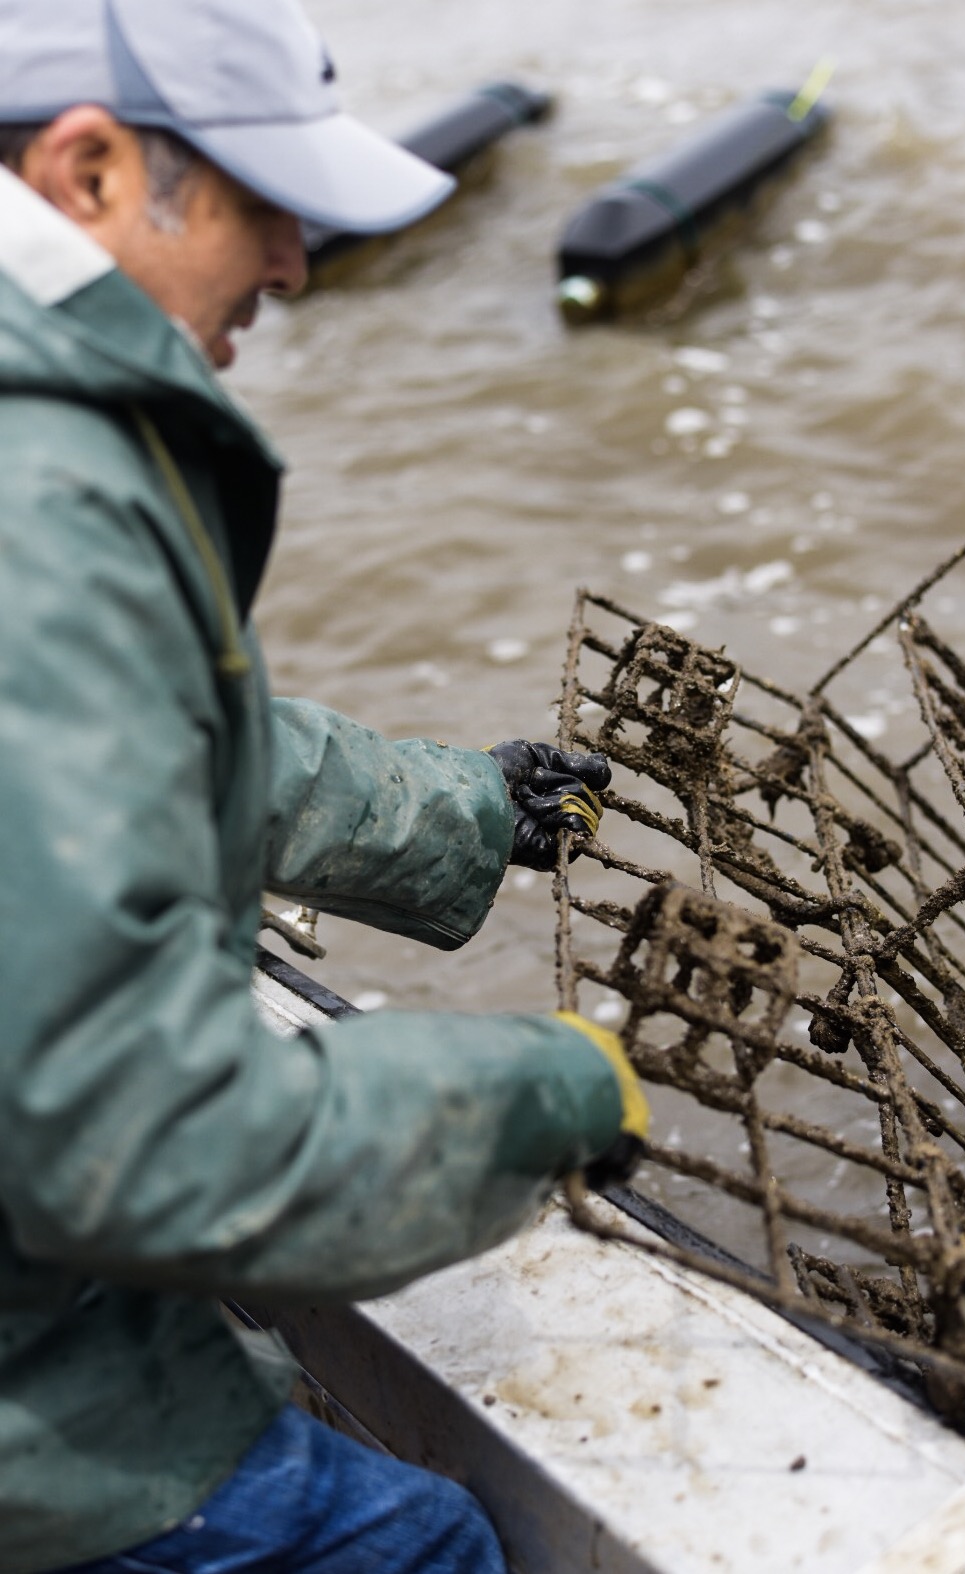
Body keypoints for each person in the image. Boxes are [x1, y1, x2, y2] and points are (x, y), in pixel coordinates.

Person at [0, 2, 649, 1571]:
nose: (293, 264)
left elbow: (128, 747)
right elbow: (132, 1138)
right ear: (91, 169)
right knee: (416, 1541)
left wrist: (465, 807)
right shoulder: (42, 488)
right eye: (263, 203)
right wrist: (542, 1090)